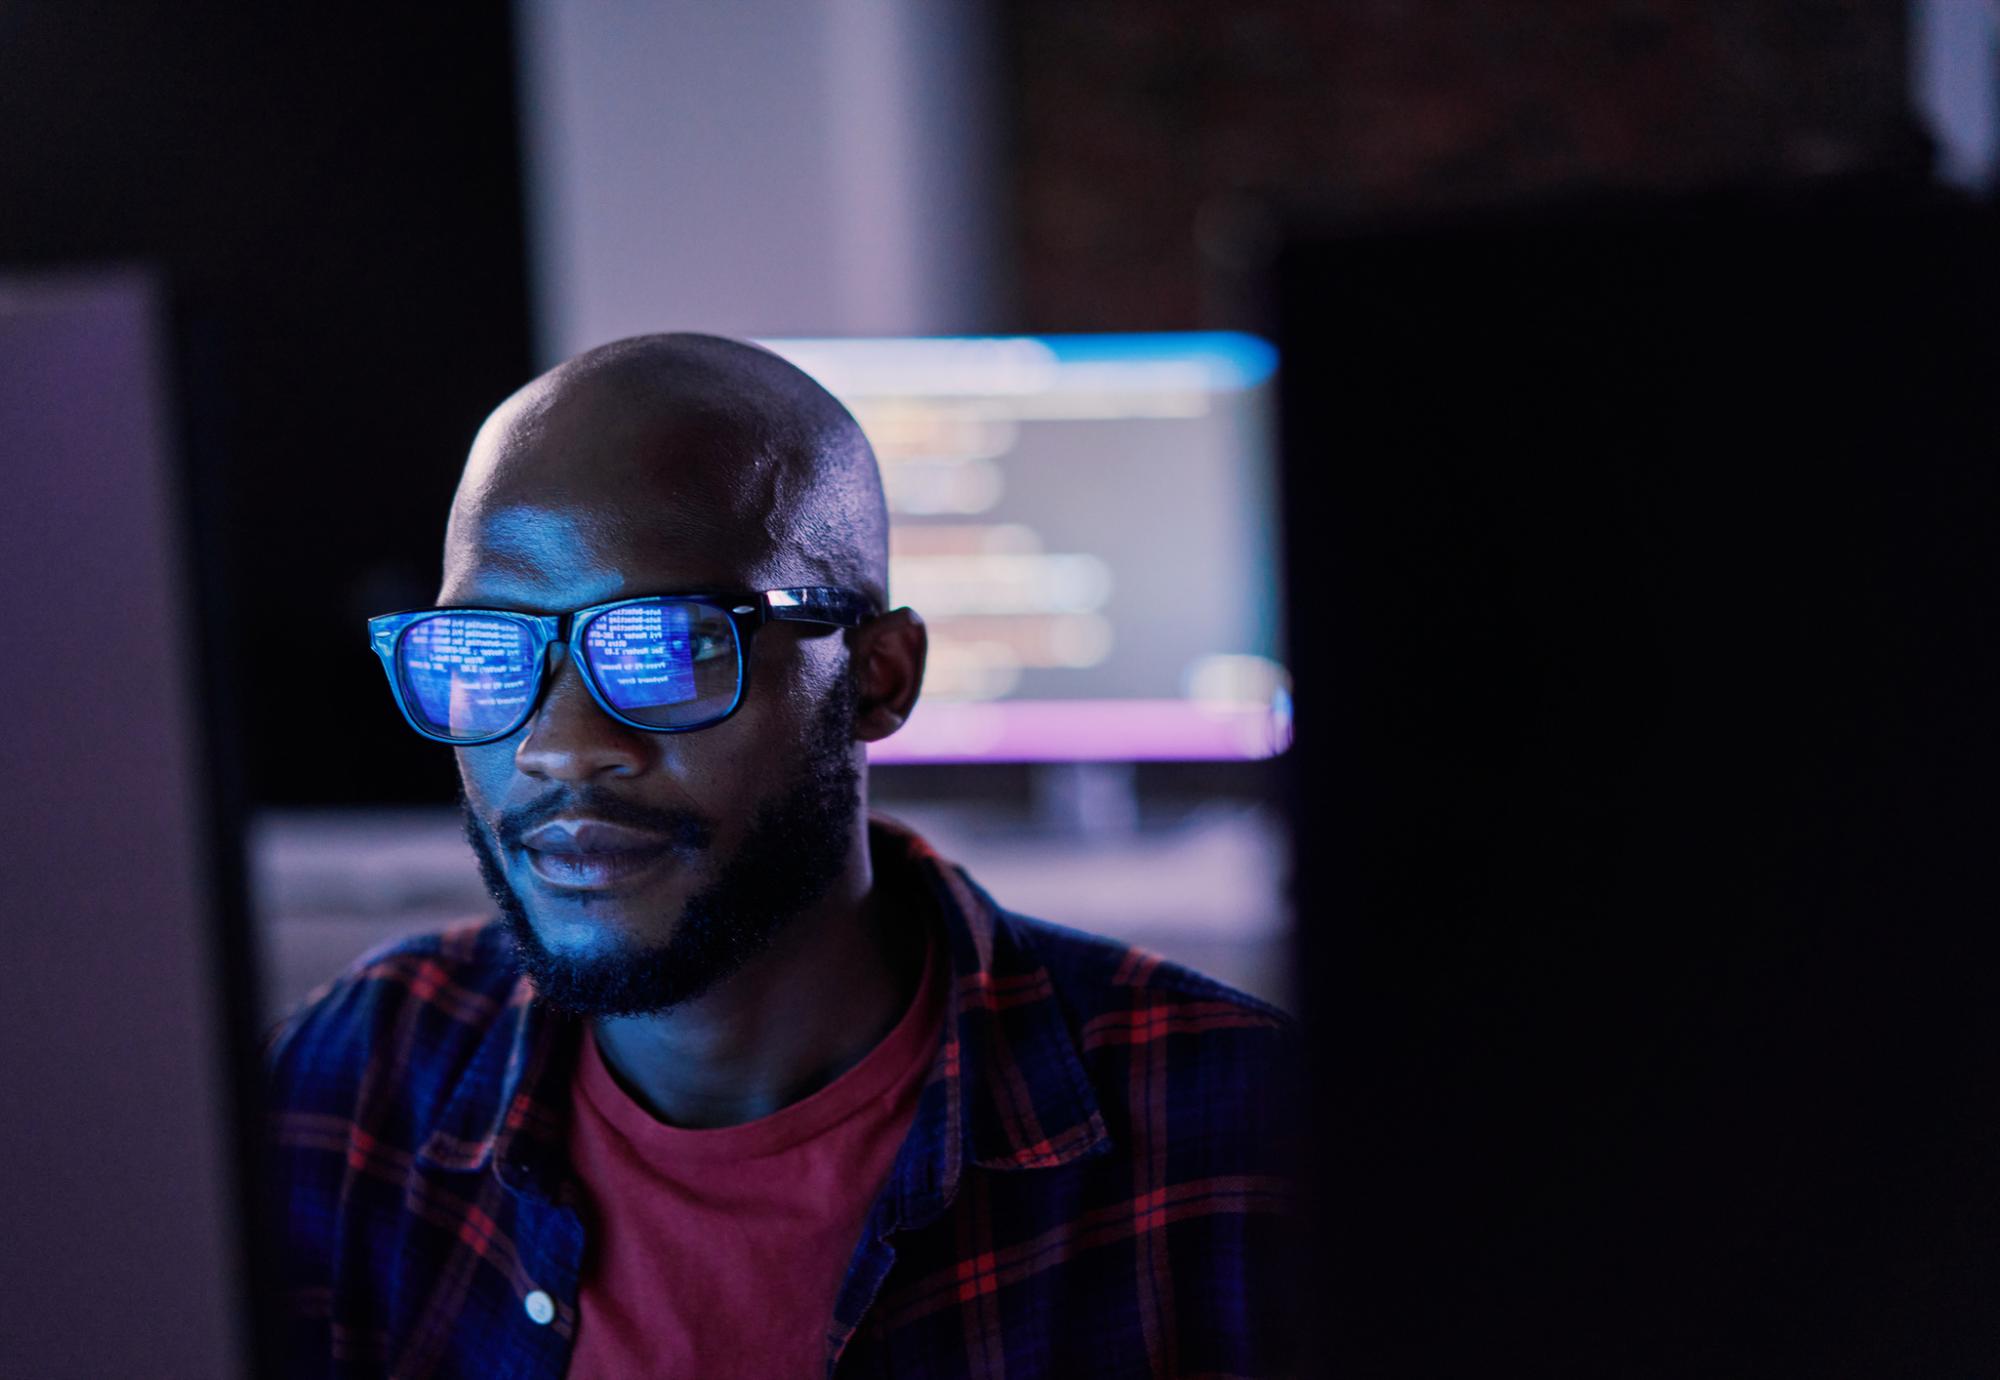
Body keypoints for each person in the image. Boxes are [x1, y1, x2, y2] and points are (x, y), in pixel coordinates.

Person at [263, 333, 1297, 1378]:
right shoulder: (354, 1085)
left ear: (879, 677)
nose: (559, 744)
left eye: (671, 644)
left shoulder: (1236, 1135)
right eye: (482, 652)